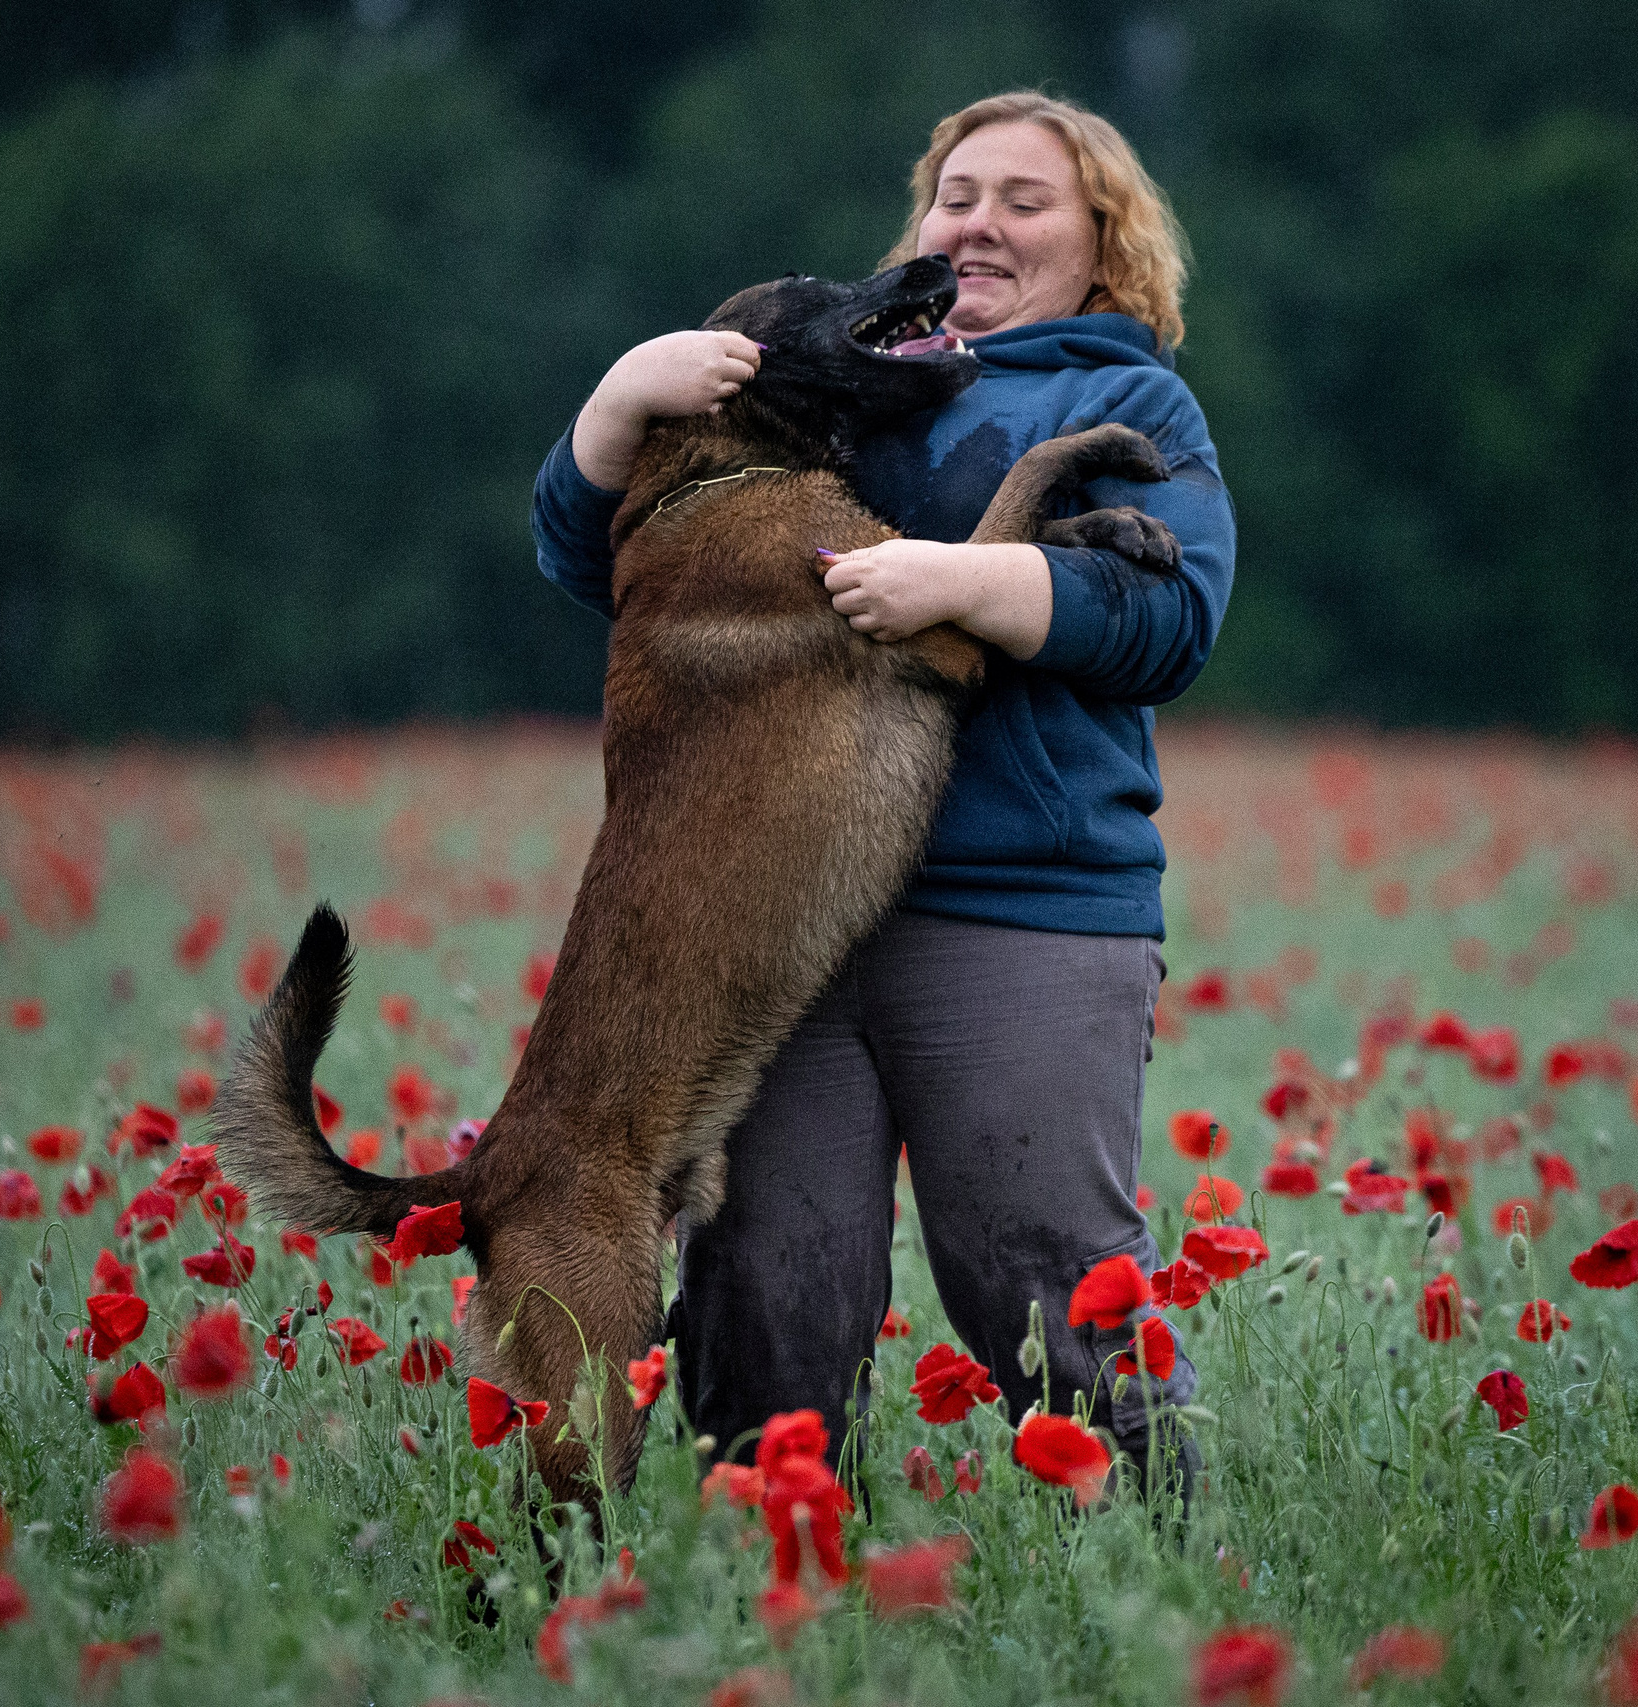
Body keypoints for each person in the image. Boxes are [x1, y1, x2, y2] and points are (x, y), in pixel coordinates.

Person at [528, 91, 1235, 1497]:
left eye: (1025, 199)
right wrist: (619, 402)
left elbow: (1171, 619)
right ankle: (774, 1598)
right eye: (953, 195)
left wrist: (969, 581)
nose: (978, 222)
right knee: (767, 1308)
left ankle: (1175, 1575)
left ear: (1105, 243)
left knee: (1047, 1283)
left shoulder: (1128, 397)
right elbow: (601, 559)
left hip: (1020, 911)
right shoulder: (836, 388)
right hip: (781, 935)